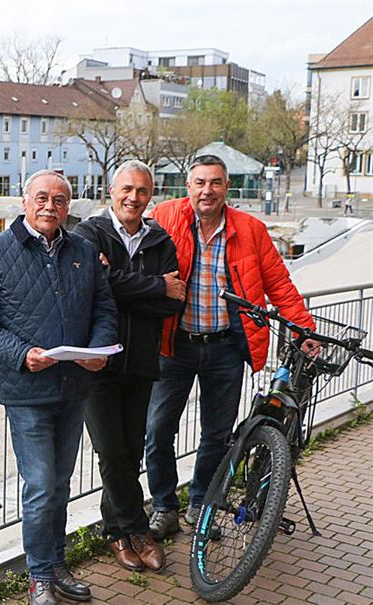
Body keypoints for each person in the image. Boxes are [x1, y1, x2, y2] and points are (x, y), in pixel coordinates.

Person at [0, 169, 117, 605]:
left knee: (61, 484)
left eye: (61, 200)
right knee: (42, 484)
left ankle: (57, 564)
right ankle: (39, 576)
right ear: (24, 201)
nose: (51, 206)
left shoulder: (83, 250)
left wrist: (98, 347)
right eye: (42, 198)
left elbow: (104, 307)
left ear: (70, 206)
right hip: (26, 389)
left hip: (73, 386)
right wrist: (20, 353)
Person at [144, 155, 317, 539]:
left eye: (216, 183)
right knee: (157, 429)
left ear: (227, 188)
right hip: (174, 344)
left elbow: (280, 285)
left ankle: (200, 505)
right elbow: (128, 247)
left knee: (217, 434)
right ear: (187, 186)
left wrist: (305, 330)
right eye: (200, 182)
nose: (208, 190)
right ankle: (163, 505)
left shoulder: (250, 230)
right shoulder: (165, 216)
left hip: (225, 348)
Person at [71, 160, 183, 573]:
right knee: (112, 451)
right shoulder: (88, 233)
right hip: (97, 362)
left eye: (141, 191)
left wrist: (118, 284)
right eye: (126, 189)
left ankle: (113, 530)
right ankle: (136, 531)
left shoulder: (159, 240)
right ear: (111, 191)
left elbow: (175, 301)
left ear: (150, 196)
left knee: (129, 450)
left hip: (140, 362)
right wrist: (153, 286)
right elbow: (92, 287)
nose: (133, 198)